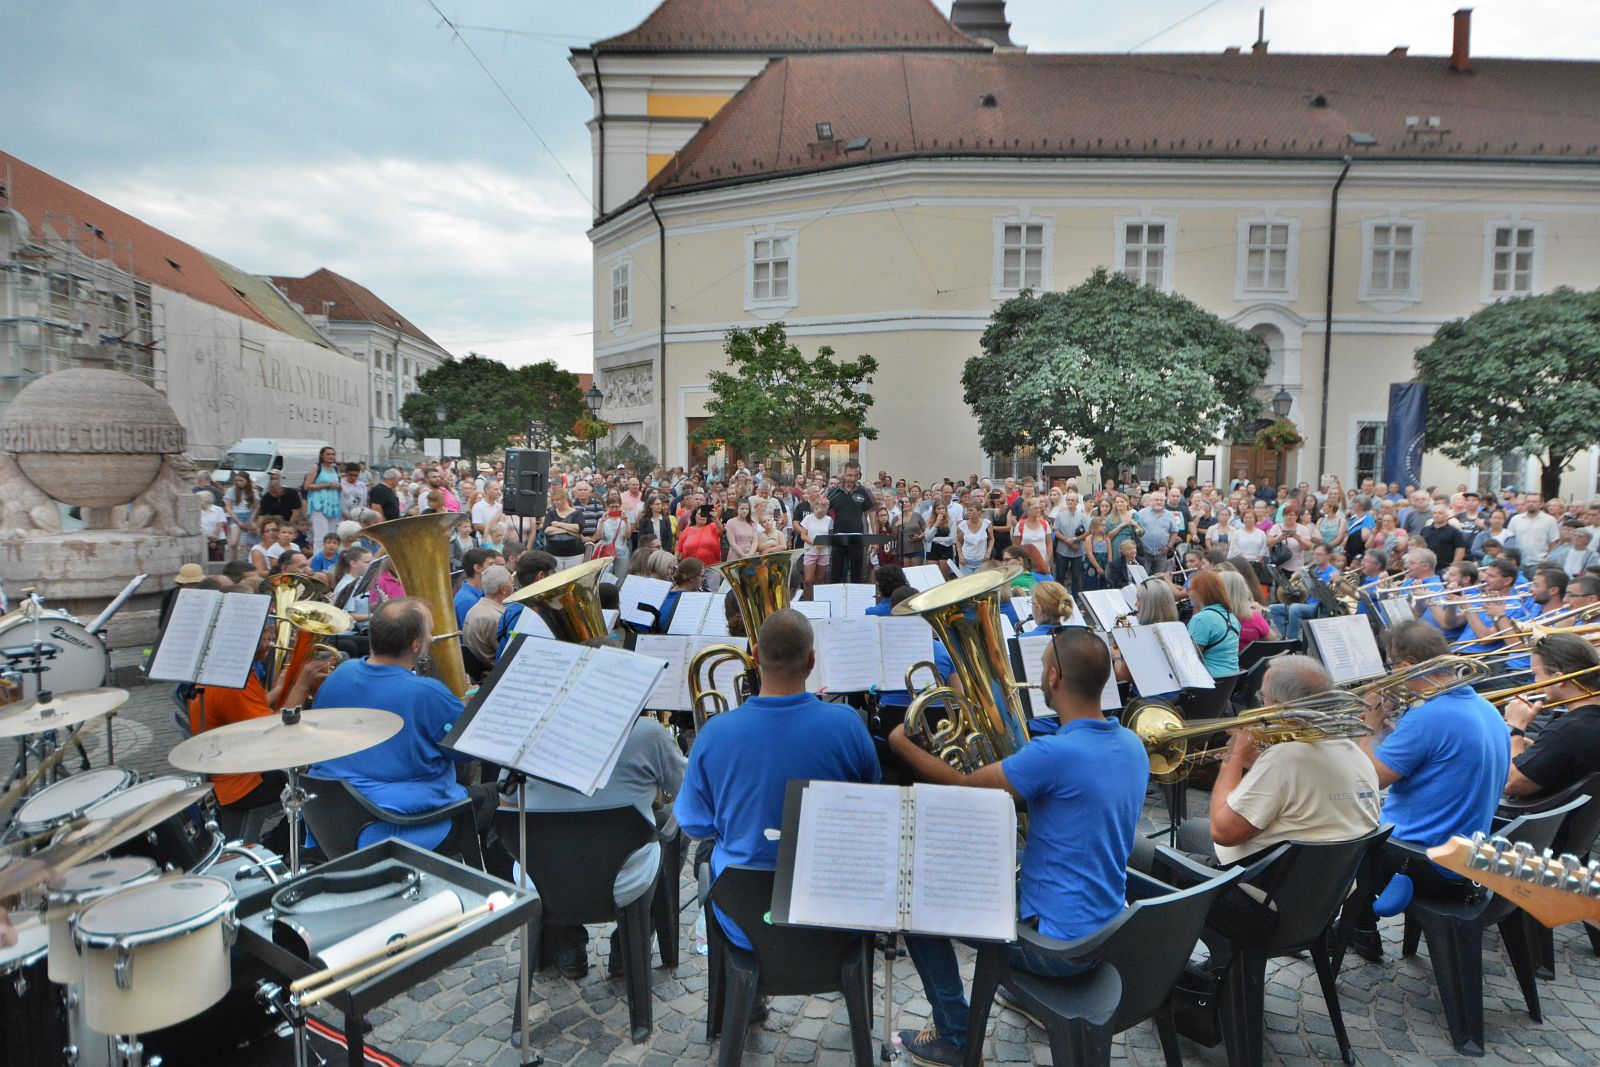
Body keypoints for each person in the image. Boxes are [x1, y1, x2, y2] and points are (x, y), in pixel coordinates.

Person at [887, 629, 1148, 1065]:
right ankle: (1018, 995)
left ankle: (954, 1037)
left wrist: (899, 743)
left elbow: (966, 786)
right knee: (1015, 860)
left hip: (1058, 950)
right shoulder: (1132, 744)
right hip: (1107, 927)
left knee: (913, 901)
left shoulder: (1054, 754)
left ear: (1052, 675)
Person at [675, 611, 880, 951]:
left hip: (743, 917)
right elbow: (870, 802)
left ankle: (744, 993)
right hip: (833, 912)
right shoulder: (848, 724)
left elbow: (696, 828)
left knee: (709, 854)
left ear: (754, 655)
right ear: (812, 661)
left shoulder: (714, 733)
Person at [1129, 656, 1380, 930]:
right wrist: (1256, 763)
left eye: (1263, 697)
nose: (1261, 705)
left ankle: (1164, 948)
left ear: (1279, 706)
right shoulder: (1354, 751)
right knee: (1190, 830)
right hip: (1320, 901)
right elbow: (1295, 792)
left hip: (1262, 908)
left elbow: (1223, 833)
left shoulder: (1286, 757)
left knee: (1129, 848)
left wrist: (1233, 759)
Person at [1350, 621, 1510, 959]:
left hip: (1425, 860)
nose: (1389, 675)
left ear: (1406, 667)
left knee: (1337, 825)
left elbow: (1368, 779)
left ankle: (1356, 925)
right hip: (1465, 856)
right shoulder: (1486, 708)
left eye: (1391, 666)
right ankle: (1360, 923)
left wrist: (1369, 724)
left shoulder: (1430, 717)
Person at [309, 598, 496, 850]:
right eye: (429, 632)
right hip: (400, 824)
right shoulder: (427, 693)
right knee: (502, 796)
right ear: (417, 645)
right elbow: (466, 753)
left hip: (331, 821)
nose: (432, 637)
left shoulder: (340, 674)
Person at [189, 616, 337, 849]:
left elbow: (247, 715)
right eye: (266, 632)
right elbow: (273, 732)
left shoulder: (227, 669)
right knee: (320, 786)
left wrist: (279, 689)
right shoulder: (233, 682)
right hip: (243, 782)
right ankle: (282, 845)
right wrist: (301, 685)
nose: (272, 638)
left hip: (235, 763)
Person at [1504, 634, 1600, 798]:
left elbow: (1511, 783)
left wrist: (1515, 727)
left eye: (1537, 674)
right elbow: (1572, 755)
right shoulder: (1574, 728)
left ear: (1558, 679)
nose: (1535, 683)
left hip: (1535, 819)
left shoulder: (1566, 731)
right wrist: (1535, 748)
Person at [1187, 570, 1240, 678]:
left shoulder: (1201, 619)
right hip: (1230, 681)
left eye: (1190, 589)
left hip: (1209, 682)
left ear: (1200, 592)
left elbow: (1189, 659)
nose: (1188, 593)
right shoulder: (1230, 615)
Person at [462, 564, 512, 668]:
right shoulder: (498, 618)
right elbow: (508, 655)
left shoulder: (473, 610)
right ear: (503, 589)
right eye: (512, 584)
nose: (513, 587)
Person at [1509, 495, 1561, 574]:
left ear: (1541, 504)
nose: (1531, 504)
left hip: (1539, 564)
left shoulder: (1550, 520)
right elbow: (1510, 540)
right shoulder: (1515, 519)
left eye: (1534, 502)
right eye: (1528, 501)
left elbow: (1553, 542)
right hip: (1519, 564)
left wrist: (1547, 559)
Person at [303, 446, 343, 544]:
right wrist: (326, 485)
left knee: (332, 535)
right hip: (319, 504)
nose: (331, 456)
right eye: (328, 454)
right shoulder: (316, 467)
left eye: (333, 454)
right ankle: (319, 557)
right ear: (322, 456)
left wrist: (338, 486)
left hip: (333, 505)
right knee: (321, 536)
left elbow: (340, 486)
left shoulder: (335, 469)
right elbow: (307, 486)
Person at [543, 486, 586, 572]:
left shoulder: (577, 513)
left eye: (557, 500)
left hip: (574, 554)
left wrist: (558, 524)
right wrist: (568, 530)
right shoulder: (551, 514)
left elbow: (578, 528)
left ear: (565, 498)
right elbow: (547, 530)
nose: (555, 502)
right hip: (554, 553)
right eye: (553, 500)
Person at [222, 472, 259, 562]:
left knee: (254, 537)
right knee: (233, 543)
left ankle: (252, 559)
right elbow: (228, 507)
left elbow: (257, 506)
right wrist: (237, 520)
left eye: (241, 480)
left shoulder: (252, 492)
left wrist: (251, 519)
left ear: (247, 480)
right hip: (236, 517)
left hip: (248, 515)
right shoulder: (231, 490)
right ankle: (233, 561)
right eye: (237, 480)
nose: (239, 483)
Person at [453, 547, 492, 627]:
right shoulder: (467, 601)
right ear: (477, 568)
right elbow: (473, 636)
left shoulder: (480, 593)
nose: (494, 568)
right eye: (490, 564)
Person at [677, 504, 723, 570]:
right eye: (699, 514)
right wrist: (675, 561)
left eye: (704, 514)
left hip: (711, 568)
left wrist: (715, 518)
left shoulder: (712, 526)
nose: (702, 516)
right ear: (694, 516)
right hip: (690, 568)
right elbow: (678, 548)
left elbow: (721, 530)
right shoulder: (687, 530)